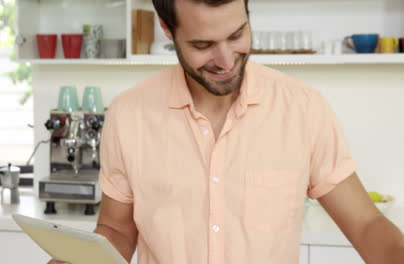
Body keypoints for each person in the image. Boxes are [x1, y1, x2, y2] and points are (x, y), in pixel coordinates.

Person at [49, 0, 404, 263]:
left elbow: (366, 224)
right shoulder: (130, 114)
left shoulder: (303, 108)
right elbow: (116, 230)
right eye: (202, 45)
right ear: (167, 29)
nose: (225, 59)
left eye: (237, 35)